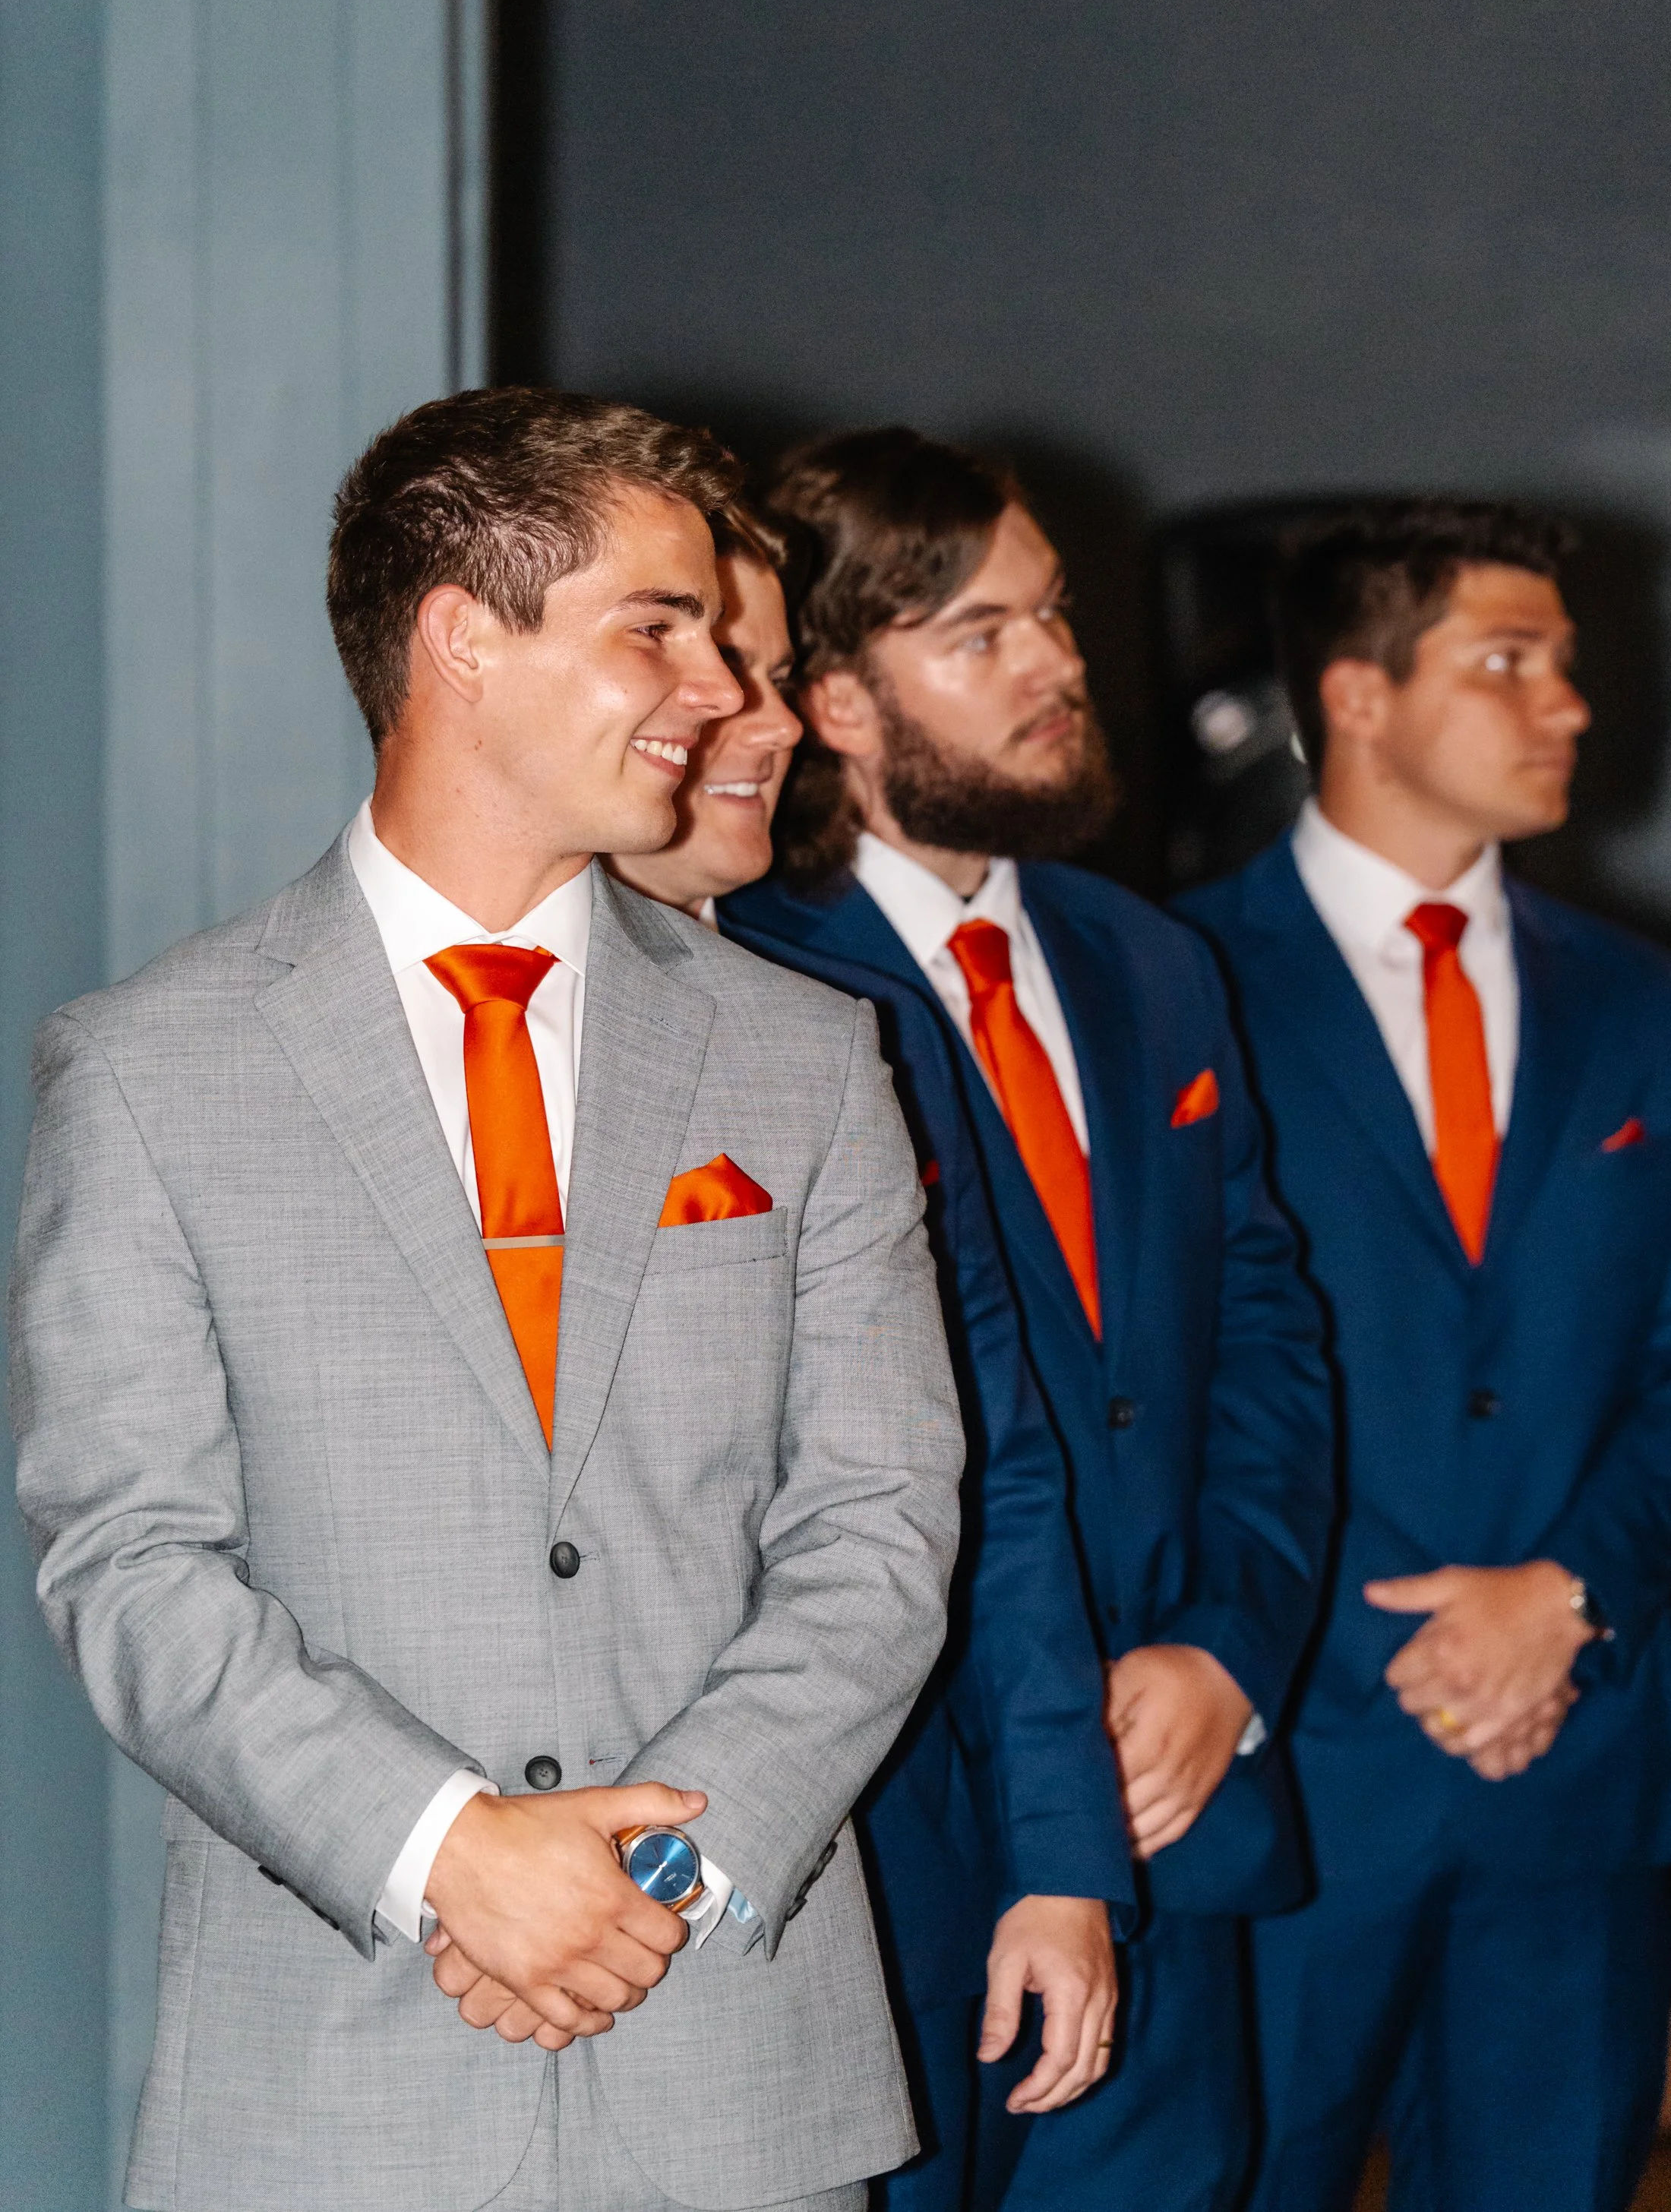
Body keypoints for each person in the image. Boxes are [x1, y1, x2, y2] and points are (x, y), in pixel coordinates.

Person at [8, 388, 965, 2212]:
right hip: (324, 2095)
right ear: (461, 636)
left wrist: (651, 1879)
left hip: (732, 2066)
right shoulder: (148, 1068)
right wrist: (451, 1851)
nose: (713, 688)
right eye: (654, 628)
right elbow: (126, 1561)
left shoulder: (804, 1058)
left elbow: (880, 1517)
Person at [725, 425, 1334, 2212]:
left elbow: (1271, 1341)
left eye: (1051, 615)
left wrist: (1227, 1650)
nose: (1058, 664)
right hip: (891, 1833)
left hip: (1170, 1809)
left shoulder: (1145, 958)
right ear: (832, 696)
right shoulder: (744, 974)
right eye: (979, 634)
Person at [613, 504, 1132, 2209]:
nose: (767, 719)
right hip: (530, 1916)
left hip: (893, 1876)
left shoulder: (846, 1045)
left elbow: (995, 1466)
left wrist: (1058, 1857)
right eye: (709, 666)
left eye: (767, 669)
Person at [1175, 497, 1671, 2212]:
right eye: (1507, 662)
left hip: (1576, 1774)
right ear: (1358, 697)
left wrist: (1564, 1599)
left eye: (1565, 667)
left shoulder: (1641, 1006)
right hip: (1284, 1772)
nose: (1569, 708)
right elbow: (1163, 1379)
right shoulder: (1165, 985)